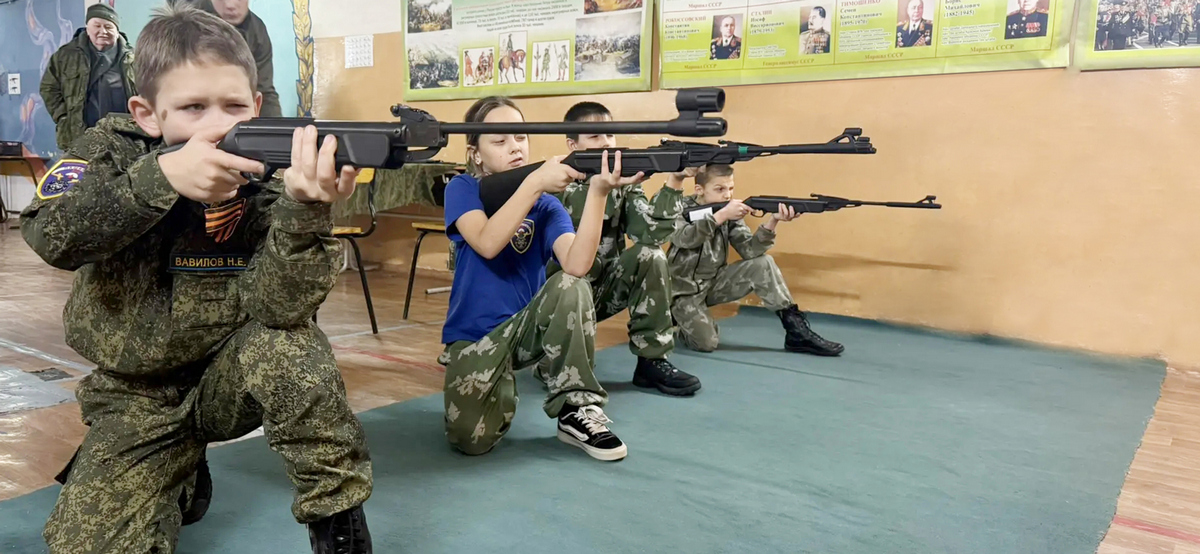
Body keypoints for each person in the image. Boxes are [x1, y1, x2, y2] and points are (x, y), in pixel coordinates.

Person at [21, 4, 373, 553]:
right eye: (192, 107)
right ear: (147, 113)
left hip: (228, 379)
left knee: (288, 345)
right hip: (136, 394)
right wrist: (158, 178)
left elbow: (280, 309)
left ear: (256, 106)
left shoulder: (271, 169)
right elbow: (50, 234)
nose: (218, 125)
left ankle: (337, 520)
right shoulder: (111, 148)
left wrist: (304, 210)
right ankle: (179, 470)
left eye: (234, 106)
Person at [438, 96, 644, 461]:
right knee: (471, 441)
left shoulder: (547, 205)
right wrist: (533, 183)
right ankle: (499, 388)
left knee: (570, 284)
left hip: (525, 329)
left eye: (520, 137)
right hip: (474, 337)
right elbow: (486, 242)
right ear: (475, 154)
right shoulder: (463, 188)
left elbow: (577, 265)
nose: (515, 147)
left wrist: (598, 192)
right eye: (500, 141)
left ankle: (575, 408)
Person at [543, 102, 701, 397]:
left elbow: (650, 234)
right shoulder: (555, 184)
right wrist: (597, 189)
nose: (606, 142)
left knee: (650, 256)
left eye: (610, 134)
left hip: (601, 291)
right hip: (559, 301)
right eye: (595, 136)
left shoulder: (623, 183)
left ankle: (652, 360)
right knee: (568, 289)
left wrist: (675, 180)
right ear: (572, 145)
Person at [666, 165, 844, 356]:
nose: (727, 195)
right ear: (699, 189)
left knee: (763, 263)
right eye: (720, 189)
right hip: (681, 291)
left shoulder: (729, 211)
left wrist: (773, 221)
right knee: (707, 343)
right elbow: (684, 238)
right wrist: (720, 216)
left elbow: (750, 251)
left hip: (713, 283)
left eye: (731, 188)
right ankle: (676, 319)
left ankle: (796, 331)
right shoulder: (679, 207)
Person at [40, 3, 136, 151]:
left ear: (117, 31)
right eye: (97, 26)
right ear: (87, 28)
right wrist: (63, 116)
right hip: (79, 137)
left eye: (108, 27)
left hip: (126, 139)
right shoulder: (65, 56)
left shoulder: (134, 59)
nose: (103, 31)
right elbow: (48, 88)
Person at [196, 0, 283, 117]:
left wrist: (277, 127)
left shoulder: (257, 31)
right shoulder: (185, 23)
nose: (230, 5)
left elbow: (265, 92)